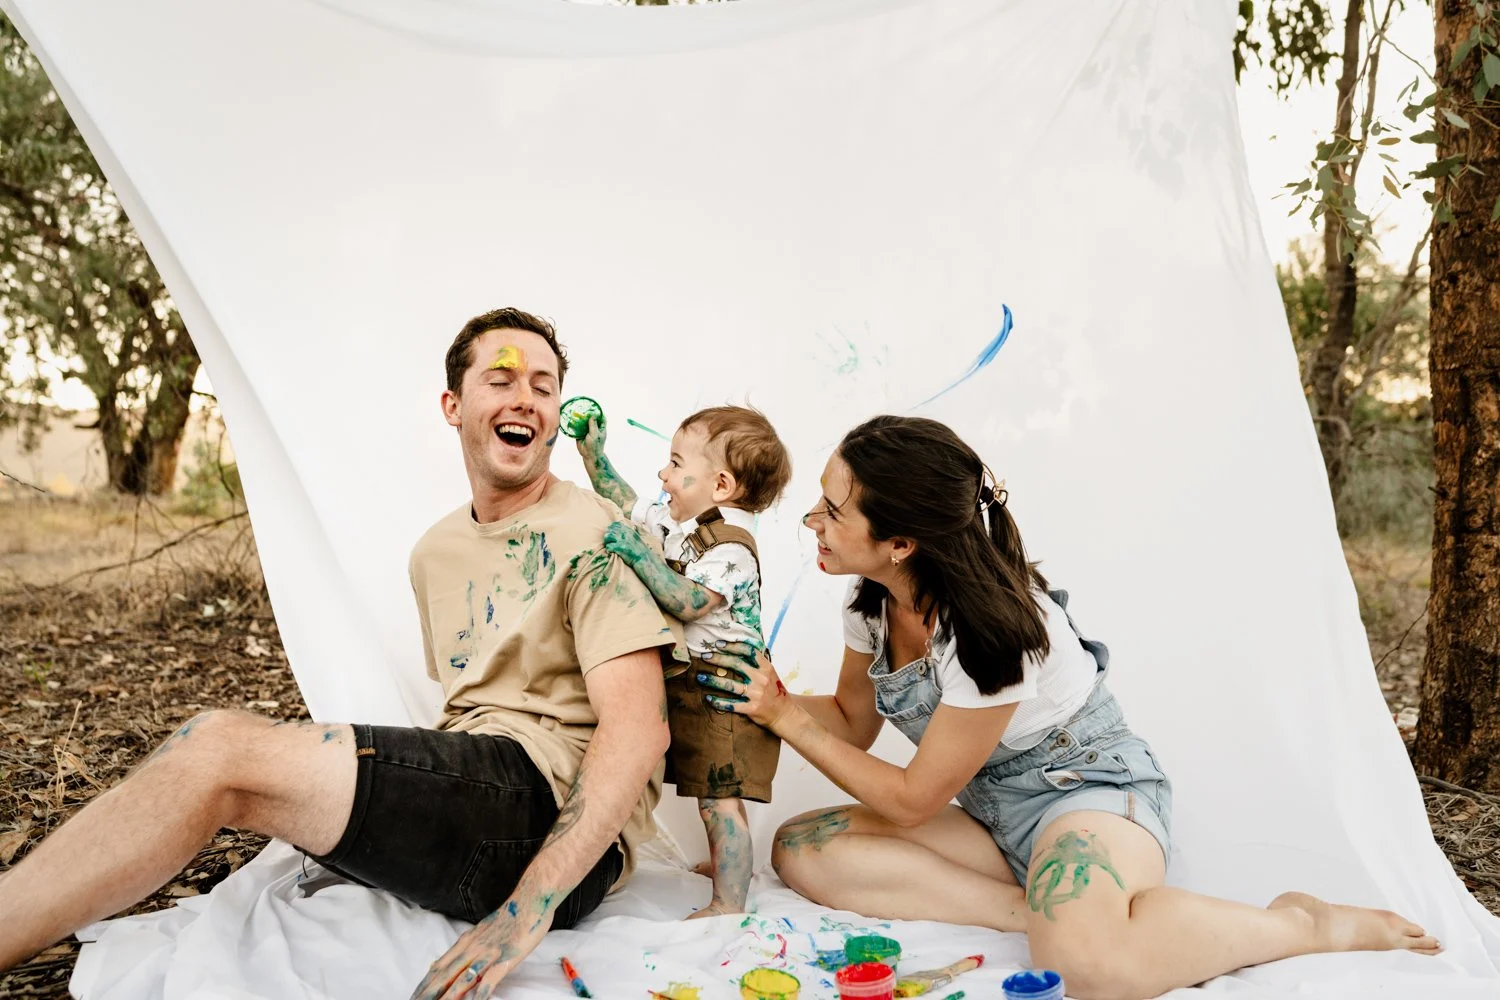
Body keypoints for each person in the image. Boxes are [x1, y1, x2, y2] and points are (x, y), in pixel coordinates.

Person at [0, 308, 678, 1000]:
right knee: (245, 773)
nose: (525, 399)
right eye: (500, 378)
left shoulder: (596, 529)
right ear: (454, 405)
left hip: (554, 819)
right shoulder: (434, 553)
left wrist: (526, 910)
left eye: (544, 385)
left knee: (218, 751)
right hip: (485, 791)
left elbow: (639, 728)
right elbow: (472, 715)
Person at [694, 414, 1441, 1000]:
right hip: (995, 813)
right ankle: (1043, 912)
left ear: (901, 541)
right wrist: (768, 695)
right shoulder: (873, 601)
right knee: (801, 846)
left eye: (831, 510)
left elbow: (917, 799)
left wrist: (787, 722)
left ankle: (1298, 924)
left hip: (1086, 796)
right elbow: (857, 721)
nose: (810, 523)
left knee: (1092, 974)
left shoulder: (996, 633)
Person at [576, 404, 791, 917]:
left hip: (727, 693)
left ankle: (730, 901)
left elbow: (688, 601)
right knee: (706, 794)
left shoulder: (733, 548)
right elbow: (628, 505)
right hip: (698, 684)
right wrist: (593, 456)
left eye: (674, 463)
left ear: (720, 484)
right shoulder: (684, 522)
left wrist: (638, 554)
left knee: (719, 800)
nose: (662, 474)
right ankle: (726, 868)